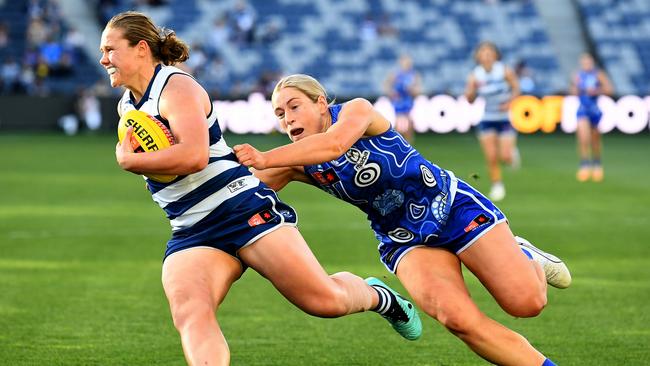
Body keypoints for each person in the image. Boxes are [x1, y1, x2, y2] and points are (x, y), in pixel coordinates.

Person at [101, 12, 421, 365]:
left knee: (324, 301)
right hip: (191, 228)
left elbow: (193, 156)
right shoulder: (127, 106)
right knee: (191, 313)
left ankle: (380, 297)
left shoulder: (176, 87)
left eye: (110, 49)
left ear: (141, 49)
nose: (103, 59)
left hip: (241, 208)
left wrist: (132, 162)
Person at [234, 74, 572, 366]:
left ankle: (525, 254)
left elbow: (334, 144)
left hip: (451, 206)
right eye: (280, 113)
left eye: (294, 106)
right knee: (458, 320)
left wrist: (263, 157)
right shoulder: (294, 161)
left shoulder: (357, 111)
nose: (287, 118)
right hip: (403, 239)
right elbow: (242, 190)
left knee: (527, 303)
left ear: (321, 103)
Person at [464, 41, 520, 202]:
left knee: (505, 157)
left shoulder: (504, 71)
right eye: (483, 53)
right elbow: (470, 100)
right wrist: (471, 91)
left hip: (504, 119)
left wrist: (510, 102)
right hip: (487, 118)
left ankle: (511, 154)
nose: (486, 56)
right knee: (491, 156)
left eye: (489, 53)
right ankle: (497, 185)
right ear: (478, 56)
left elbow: (516, 88)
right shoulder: (475, 75)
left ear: (495, 55)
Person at [570, 53, 613, 182]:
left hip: (594, 109)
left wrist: (596, 91)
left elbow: (609, 89)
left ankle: (597, 163)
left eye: (588, 62)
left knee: (595, 140)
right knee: (583, 138)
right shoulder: (578, 75)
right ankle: (584, 165)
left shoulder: (598, 74)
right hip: (583, 108)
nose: (586, 64)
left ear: (592, 62)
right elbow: (572, 91)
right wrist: (578, 88)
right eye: (584, 62)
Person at [384, 54, 420, 143]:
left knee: (409, 120)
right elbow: (387, 84)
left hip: (407, 99)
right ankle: (397, 140)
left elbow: (417, 89)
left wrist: (412, 91)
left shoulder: (413, 75)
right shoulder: (396, 74)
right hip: (399, 100)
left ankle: (408, 142)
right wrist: (391, 93)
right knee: (398, 120)